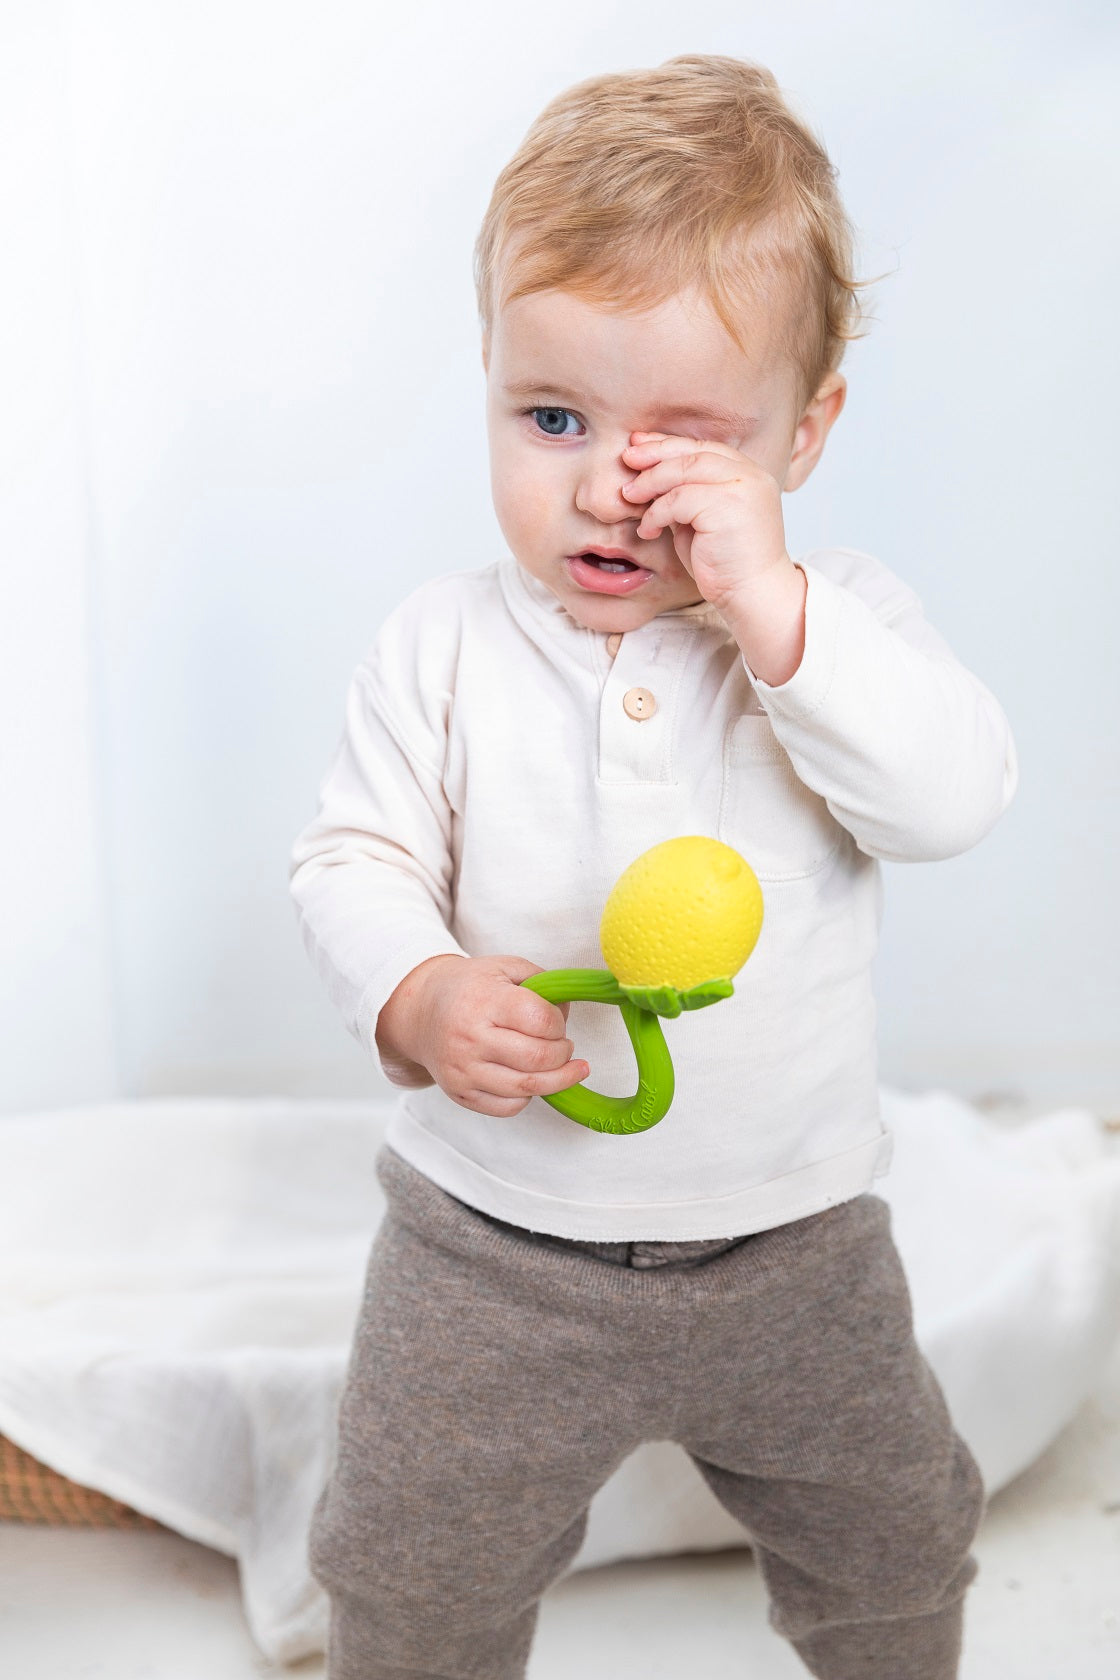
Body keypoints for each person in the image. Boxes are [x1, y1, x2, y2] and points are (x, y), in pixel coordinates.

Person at [288, 53, 1017, 1680]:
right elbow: (353, 853)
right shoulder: (446, 645)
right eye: (553, 417)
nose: (610, 484)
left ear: (803, 437)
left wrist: (777, 618)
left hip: (798, 1243)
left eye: (687, 439)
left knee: (894, 1539)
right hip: (491, 1249)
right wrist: (418, 990)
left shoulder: (842, 632)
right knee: (409, 1562)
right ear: (488, 382)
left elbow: (953, 795)